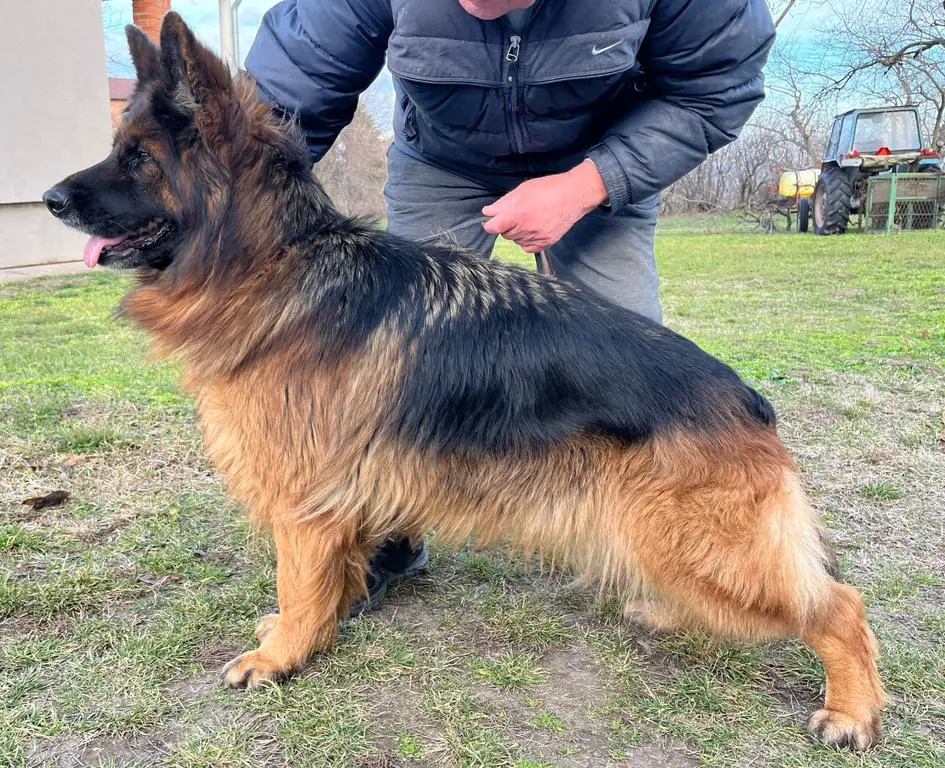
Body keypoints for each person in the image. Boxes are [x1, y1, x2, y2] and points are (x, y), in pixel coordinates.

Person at [245, 0, 776, 613]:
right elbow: (276, 107)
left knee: (629, 374)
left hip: (599, 155)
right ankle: (390, 537)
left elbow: (717, 87)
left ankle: (643, 528)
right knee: (398, 368)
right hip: (440, 162)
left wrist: (589, 185)